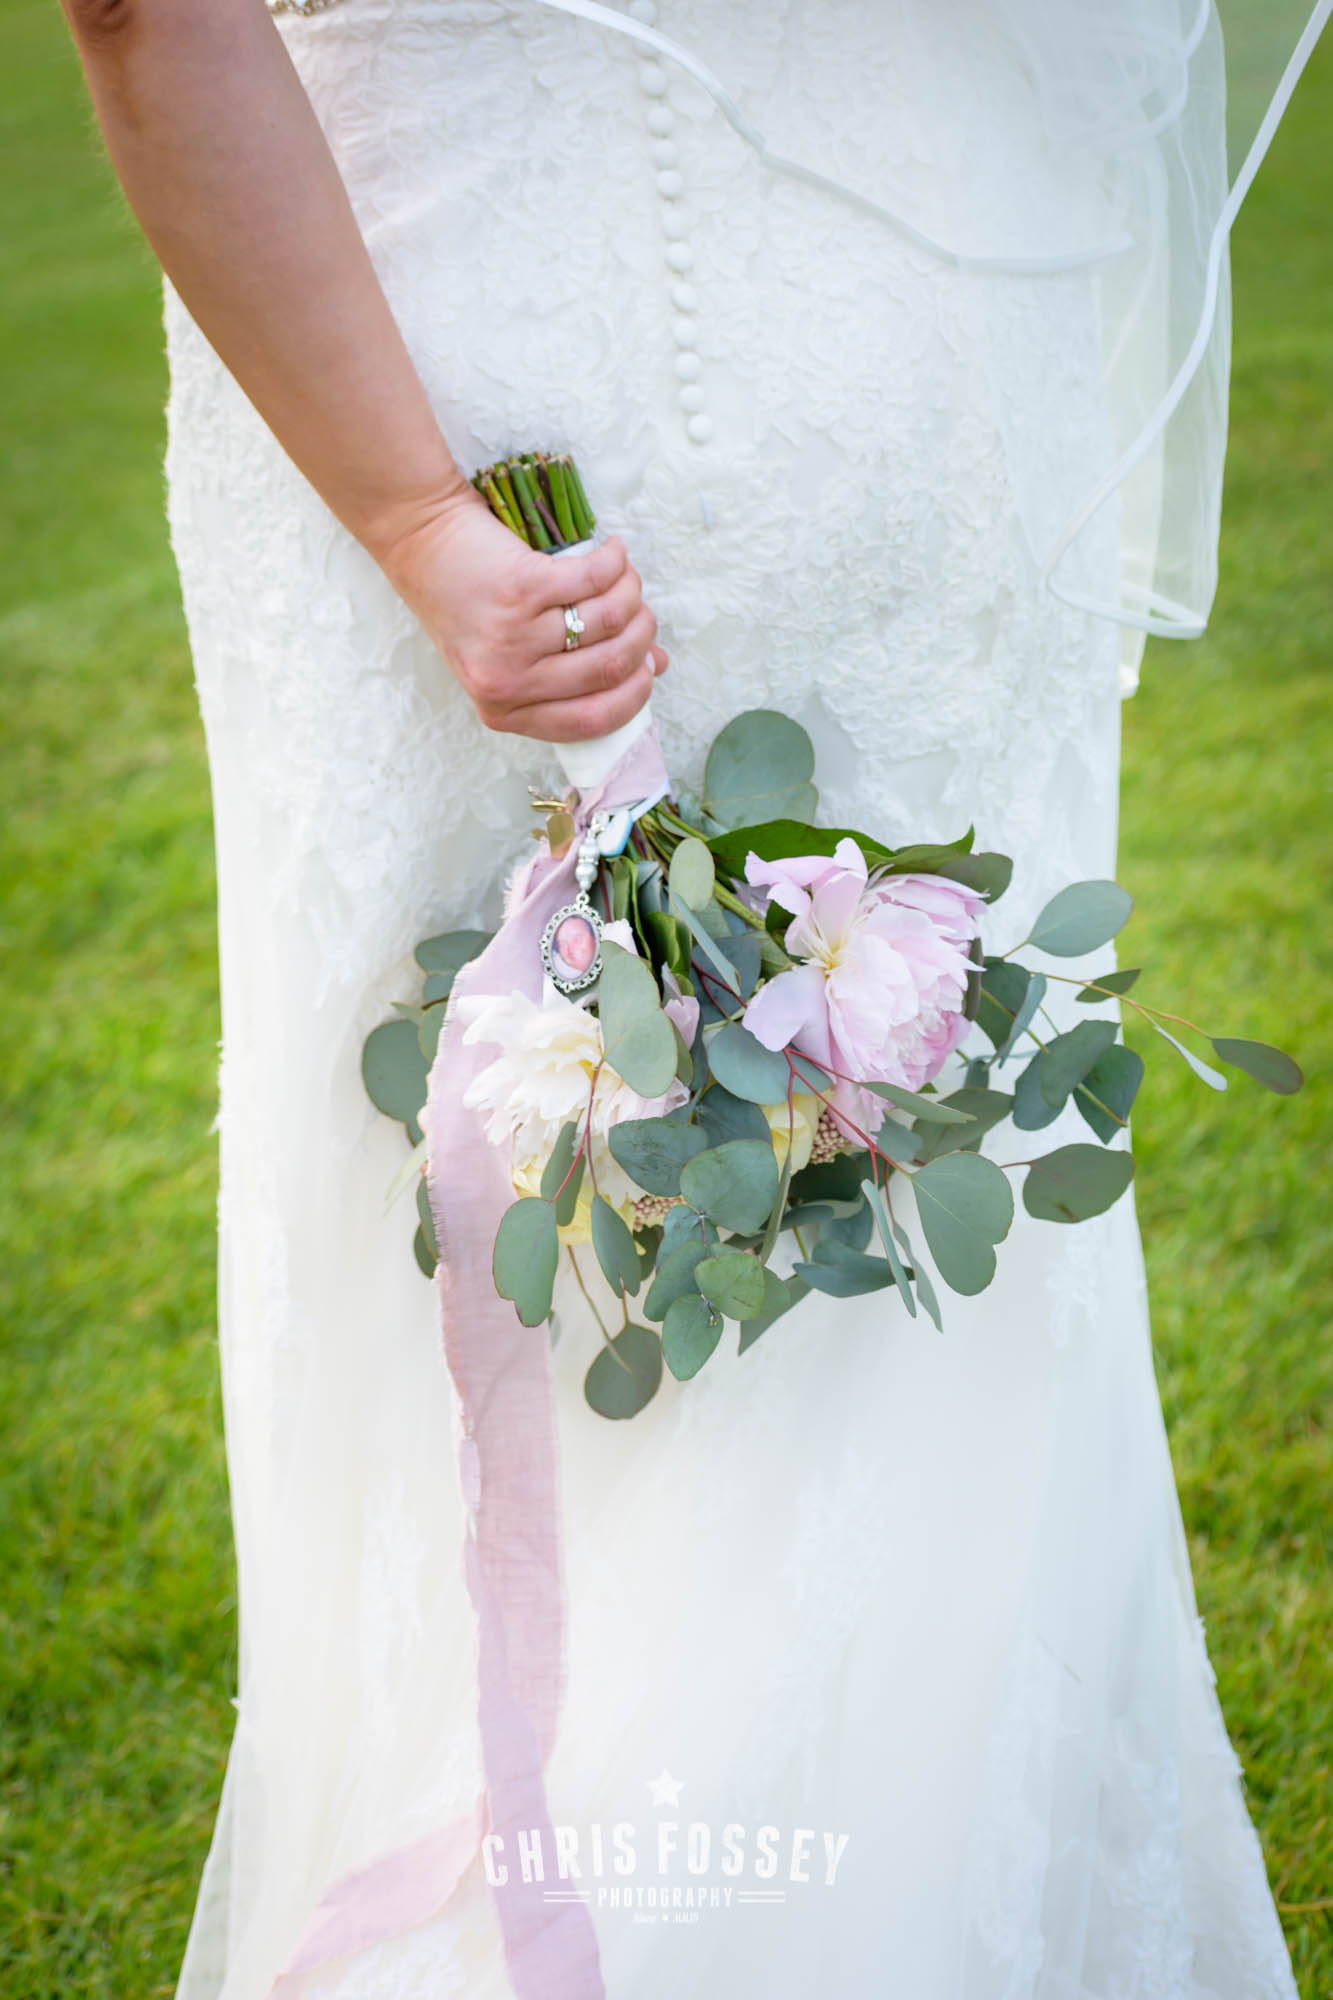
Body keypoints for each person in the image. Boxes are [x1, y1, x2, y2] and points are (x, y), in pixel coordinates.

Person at [57, 1, 1324, 1995]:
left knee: (548, 1189)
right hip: (902, 341)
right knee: (875, 1201)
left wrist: (408, 514)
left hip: (441, 346)